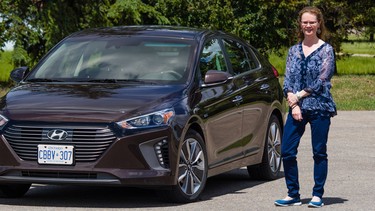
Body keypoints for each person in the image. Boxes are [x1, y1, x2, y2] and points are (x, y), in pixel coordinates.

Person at [274, 6, 337, 208]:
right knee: (287, 151)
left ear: (319, 24)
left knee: (319, 152)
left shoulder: (327, 50)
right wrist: (293, 102)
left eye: (312, 22)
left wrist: (298, 96)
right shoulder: (293, 50)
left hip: (320, 107)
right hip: (297, 108)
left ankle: (317, 195)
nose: (308, 25)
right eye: (305, 22)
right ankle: (293, 194)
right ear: (300, 25)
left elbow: (322, 79)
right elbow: (288, 80)